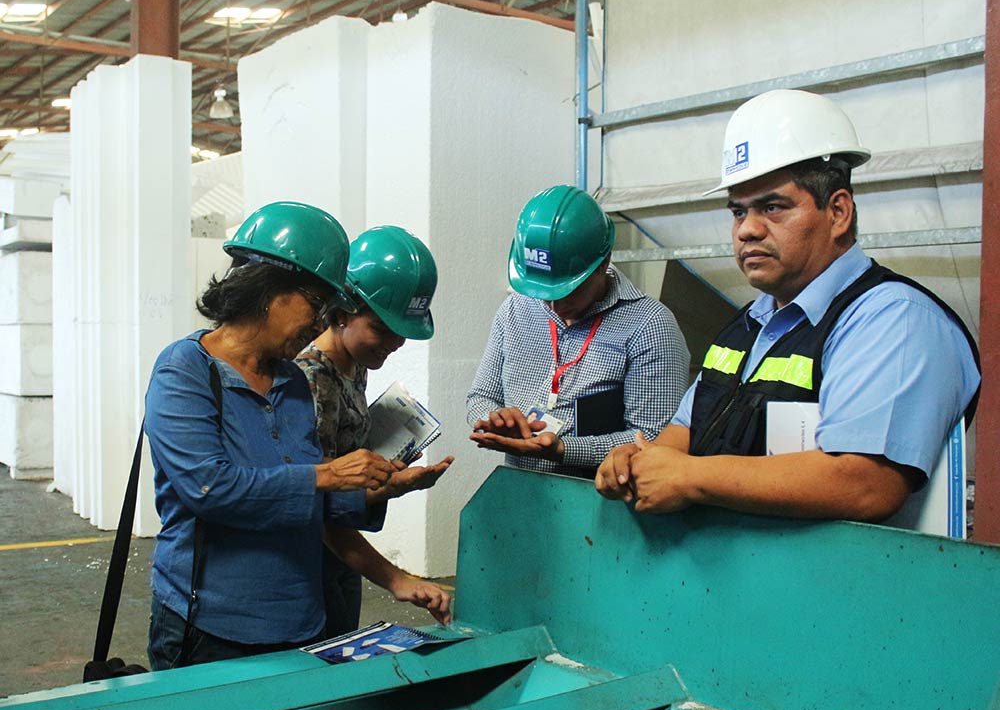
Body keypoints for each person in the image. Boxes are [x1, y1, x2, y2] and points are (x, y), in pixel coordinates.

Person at [596, 89, 981, 524]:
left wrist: (692, 478)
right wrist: (637, 462)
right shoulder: (749, 323)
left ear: (838, 212)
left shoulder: (893, 320)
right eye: (738, 212)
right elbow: (686, 432)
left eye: (773, 207)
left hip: (841, 584)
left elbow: (865, 483)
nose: (747, 231)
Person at [144, 201, 398, 670]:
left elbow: (304, 500)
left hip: (300, 622)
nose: (321, 324)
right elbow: (211, 488)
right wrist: (327, 475)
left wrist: (374, 490)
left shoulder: (293, 381)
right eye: (315, 305)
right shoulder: (186, 370)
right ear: (267, 289)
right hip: (210, 630)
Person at [467, 184, 690, 477]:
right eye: (542, 290)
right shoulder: (515, 310)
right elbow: (480, 395)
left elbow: (651, 439)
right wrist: (494, 420)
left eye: (568, 290)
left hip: (604, 503)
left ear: (603, 262)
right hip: (520, 491)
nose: (553, 304)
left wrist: (563, 449)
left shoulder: (649, 326)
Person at [297, 225, 453, 636]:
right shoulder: (313, 378)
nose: (395, 343)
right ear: (342, 311)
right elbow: (320, 508)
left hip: (338, 561)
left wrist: (387, 472)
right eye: (382, 330)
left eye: (401, 332)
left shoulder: (355, 365)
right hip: (308, 563)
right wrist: (396, 578)